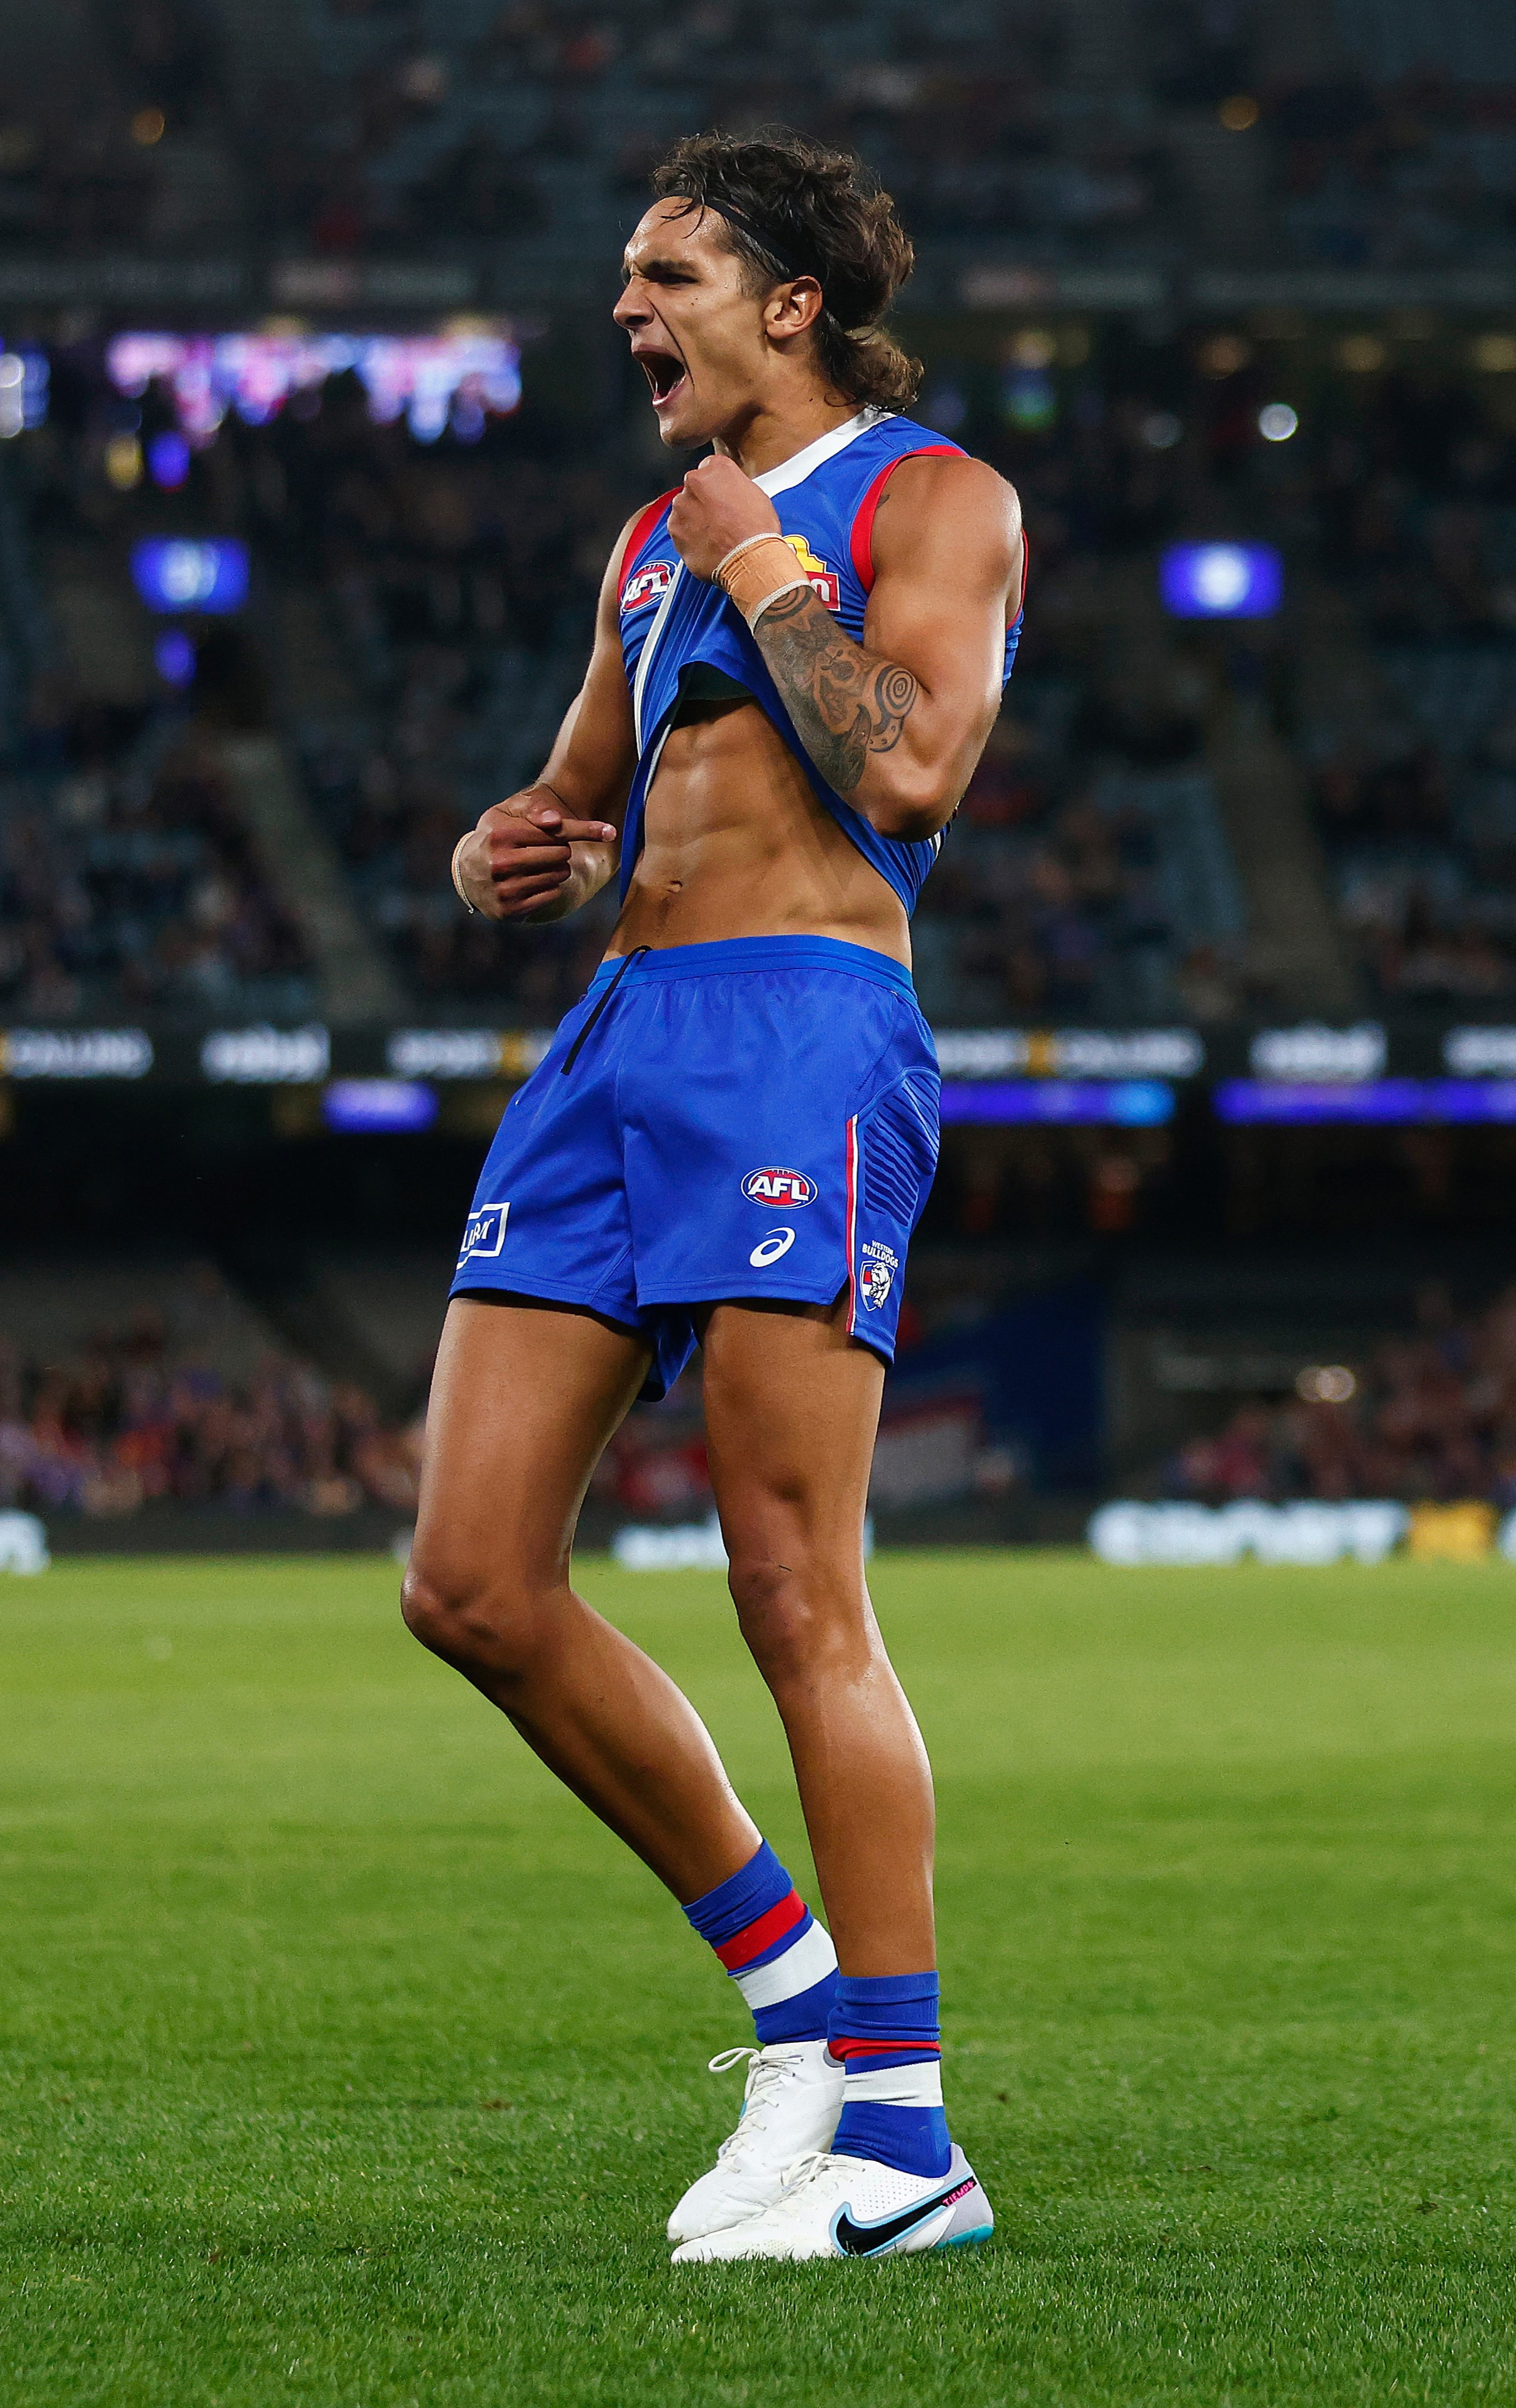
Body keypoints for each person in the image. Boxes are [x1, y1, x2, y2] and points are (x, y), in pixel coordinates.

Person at [402, 127, 1024, 2263]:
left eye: (665, 274)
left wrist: (768, 558)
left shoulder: (930, 499)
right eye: (624, 276)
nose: (625, 311)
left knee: (787, 1582)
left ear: (787, 304)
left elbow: (914, 768)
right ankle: (788, 2016)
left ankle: (900, 2131)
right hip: (614, 1042)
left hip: (801, 1031)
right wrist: (525, 852)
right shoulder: (644, 542)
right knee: (469, 1583)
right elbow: (580, 797)